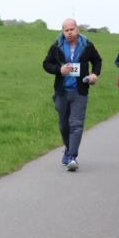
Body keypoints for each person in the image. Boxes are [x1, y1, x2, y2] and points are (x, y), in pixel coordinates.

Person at [43, 18, 102, 171]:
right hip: (62, 92)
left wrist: (95, 74)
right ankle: (68, 149)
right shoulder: (57, 46)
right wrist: (59, 70)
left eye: (72, 29)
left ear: (77, 29)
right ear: (63, 31)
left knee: (76, 124)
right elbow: (46, 64)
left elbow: (97, 61)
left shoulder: (87, 45)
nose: (69, 32)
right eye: (66, 30)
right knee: (64, 125)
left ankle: (72, 156)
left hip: (80, 91)